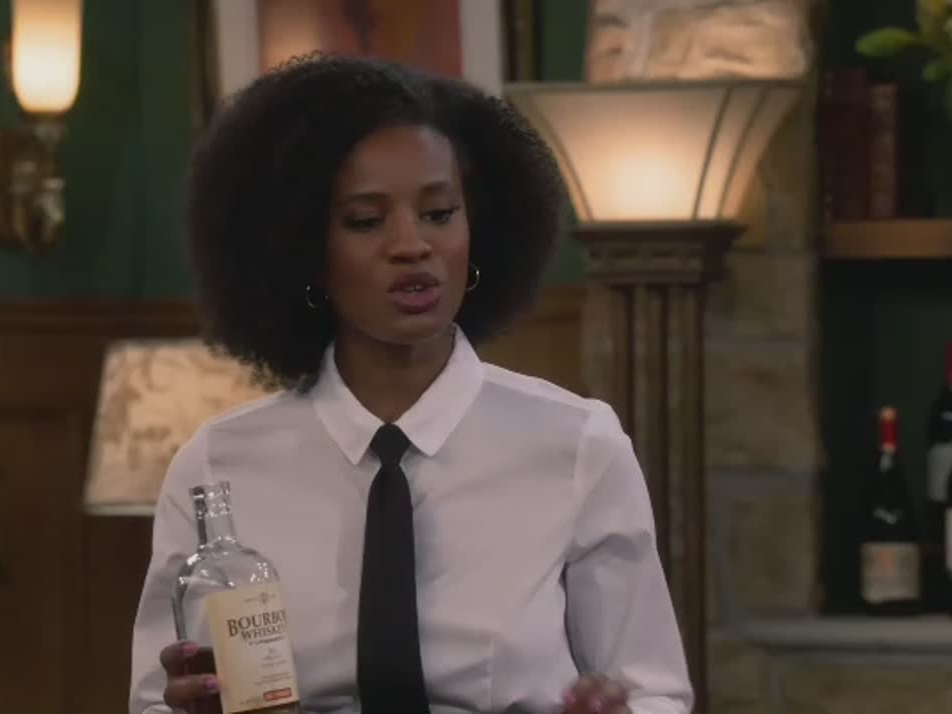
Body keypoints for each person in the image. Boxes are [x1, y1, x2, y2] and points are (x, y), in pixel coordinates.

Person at [128, 53, 692, 714]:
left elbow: (653, 691)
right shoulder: (216, 468)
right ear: (303, 250)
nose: (411, 245)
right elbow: (157, 702)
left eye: (439, 213)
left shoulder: (578, 445)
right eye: (366, 221)